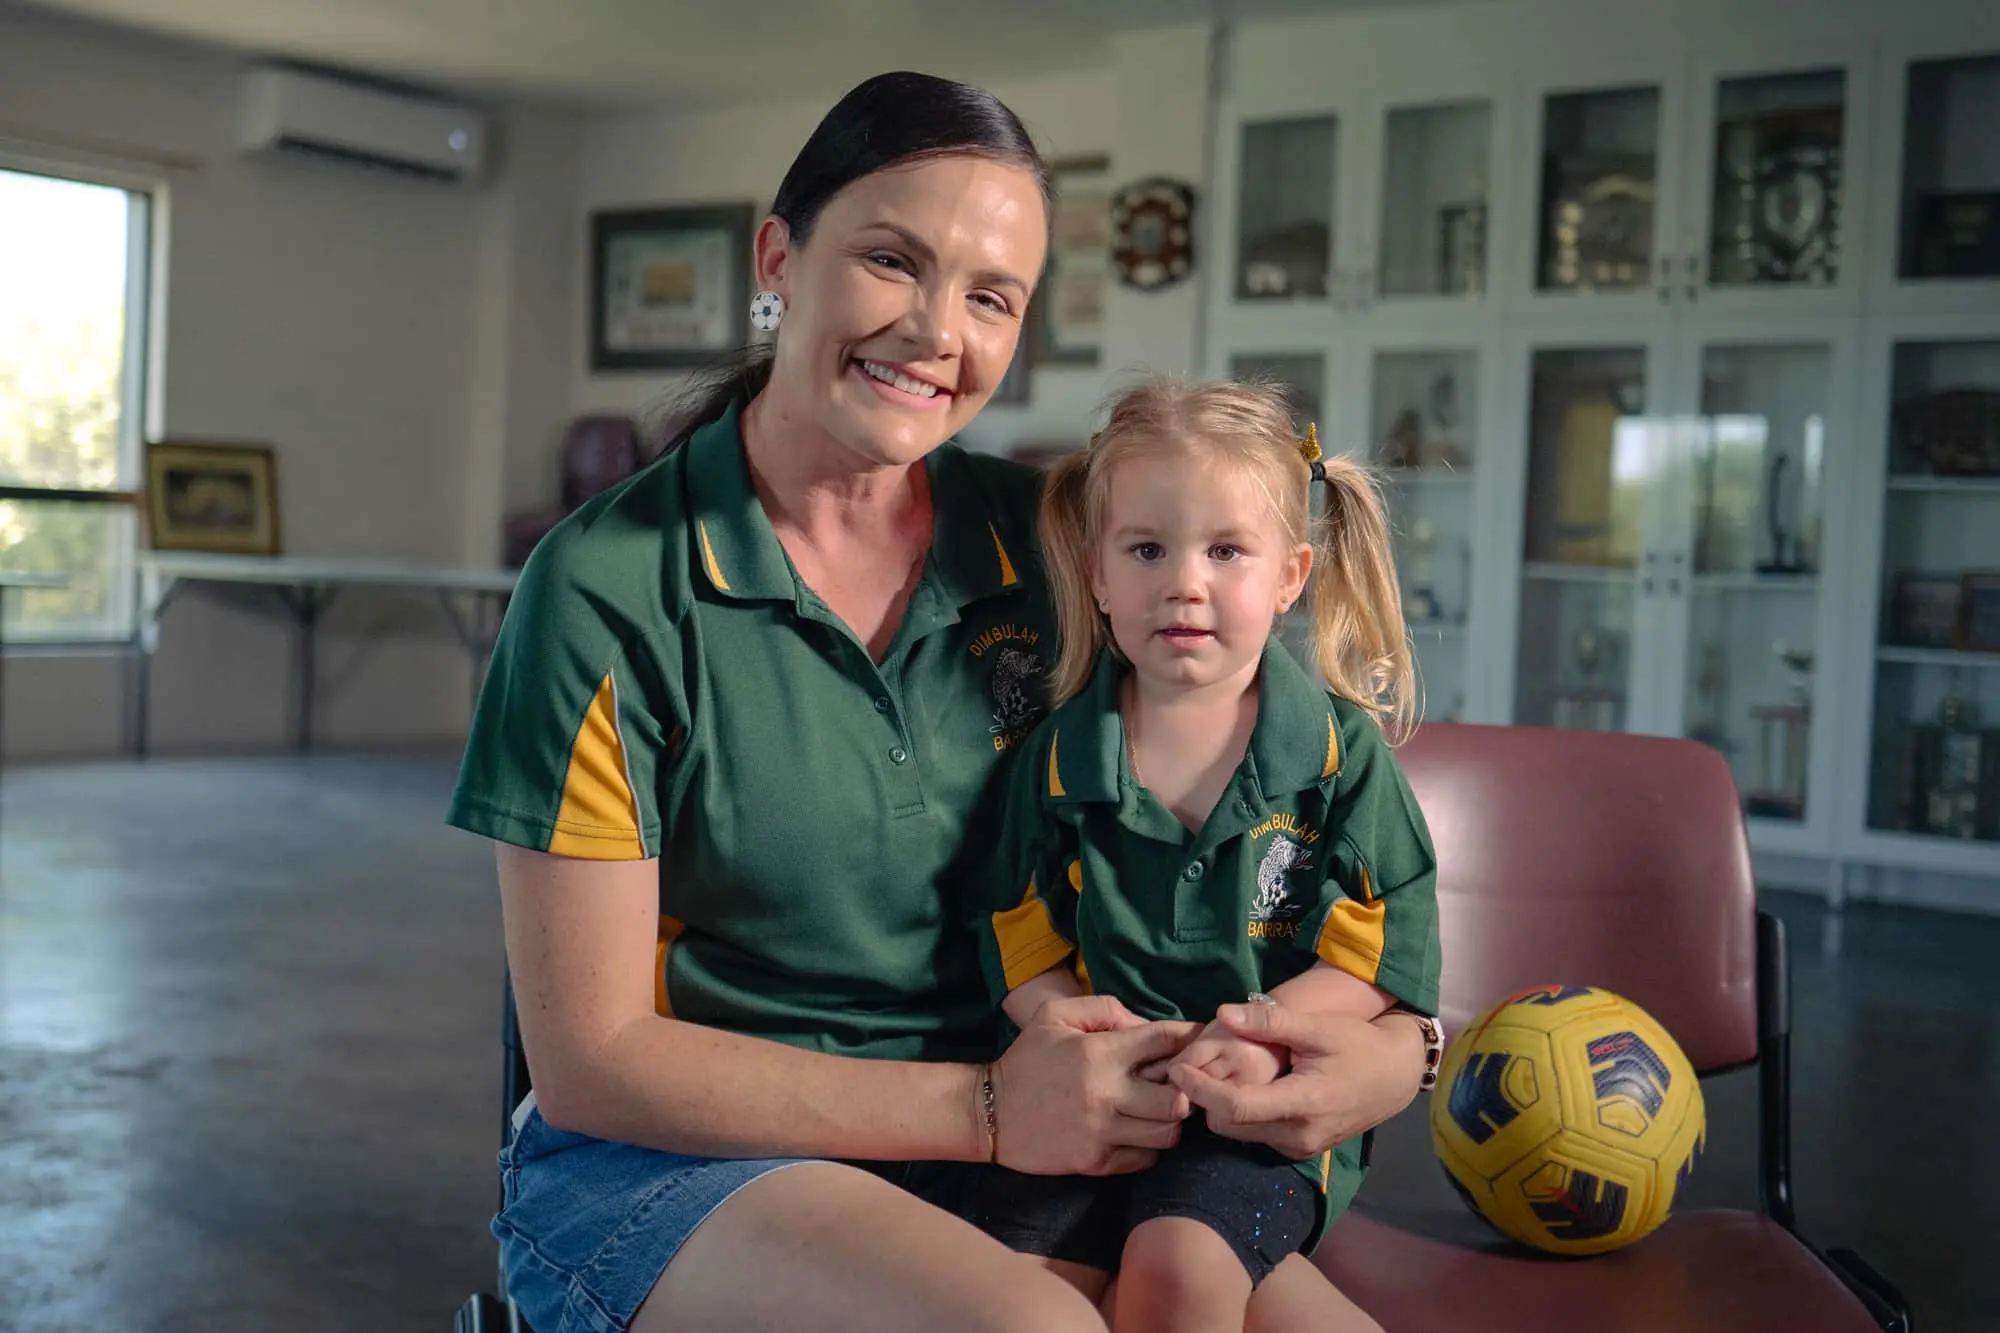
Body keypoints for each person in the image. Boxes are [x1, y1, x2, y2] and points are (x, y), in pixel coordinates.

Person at [446, 70, 1437, 1333]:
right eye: (888, 260)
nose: (934, 331)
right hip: (678, 1165)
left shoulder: (1053, 543)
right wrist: (981, 1106)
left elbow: (1280, 807)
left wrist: (1397, 1047)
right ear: (778, 258)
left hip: (1034, 1138)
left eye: (989, 297)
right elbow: (591, 1064)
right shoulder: (603, 587)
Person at [969, 381, 1443, 1333]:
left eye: (1227, 551)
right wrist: (1076, 1036)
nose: (1184, 582)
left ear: (1290, 577)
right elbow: (1018, 931)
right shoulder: (1058, 758)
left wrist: (1263, 1030)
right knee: (1017, 1295)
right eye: (1146, 549)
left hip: (1264, 1115)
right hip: (1102, 1102)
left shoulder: (1341, 759)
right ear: (1099, 576)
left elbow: (1380, 950)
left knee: (1179, 1270)